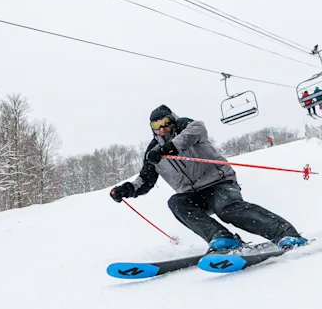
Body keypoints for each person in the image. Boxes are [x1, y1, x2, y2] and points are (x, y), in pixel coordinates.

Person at [109, 105, 307, 253]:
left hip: (219, 183)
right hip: (192, 194)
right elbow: (145, 180)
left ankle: (285, 233)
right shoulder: (152, 152)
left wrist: (168, 149)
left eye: (165, 123)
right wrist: (125, 190)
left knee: (227, 209)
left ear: (172, 120)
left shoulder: (188, 127)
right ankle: (222, 238)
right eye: (156, 126)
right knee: (176, 202)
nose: (162, 129)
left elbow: (195, 131)